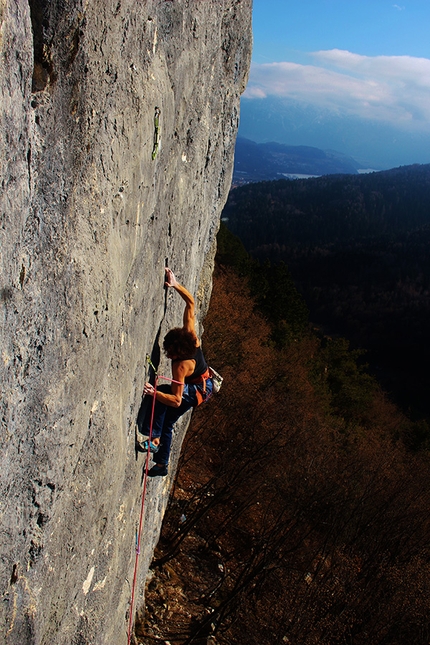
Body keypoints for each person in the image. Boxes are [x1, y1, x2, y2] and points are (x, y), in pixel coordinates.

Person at [139, 267, 213, 477]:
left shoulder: (180, 366)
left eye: (170, 353)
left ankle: (155, 442)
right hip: (203, 381)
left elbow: (176, 400)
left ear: (177, 352)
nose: (168, 355)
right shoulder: (191, 335)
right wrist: (175, 284)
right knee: (166, 412)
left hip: (199, 389)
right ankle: (159, 456)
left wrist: (153, 393)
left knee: (164, 399)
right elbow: (191, 303)